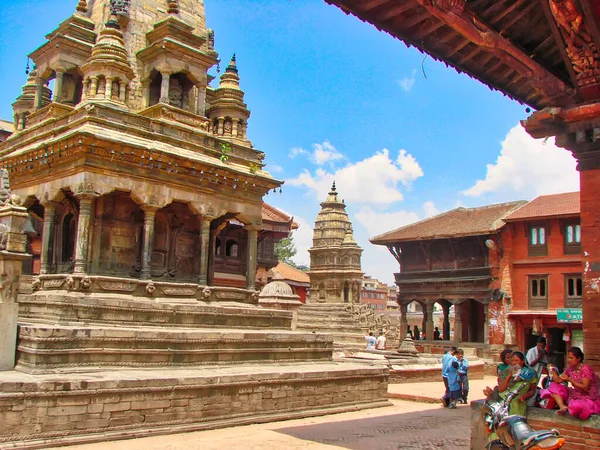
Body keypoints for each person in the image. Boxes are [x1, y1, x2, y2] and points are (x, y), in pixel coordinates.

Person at [541, 346, 600, 419]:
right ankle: (562, 406)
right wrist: (552, 370)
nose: (569, 360)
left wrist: (569, 379)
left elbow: (585, 388)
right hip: (575, 394)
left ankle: (571, 406)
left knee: (575, 406)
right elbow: (558, 380)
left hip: (588, 397)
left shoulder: (585, 368)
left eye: (571, 358)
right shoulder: (570, 368)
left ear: (578, 359)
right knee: (553, 386)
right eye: (568, 358)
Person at [483, 351, 538, 418]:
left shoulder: (530, 373)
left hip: (518, 397)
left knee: (514, 403)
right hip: (507, 395)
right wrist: (509, 376)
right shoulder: (508, 371)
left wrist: (524, 396)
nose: (514, 363)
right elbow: (501, 389)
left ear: (522, 361)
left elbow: (532, 390)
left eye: (516, 360)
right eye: (512, 361)